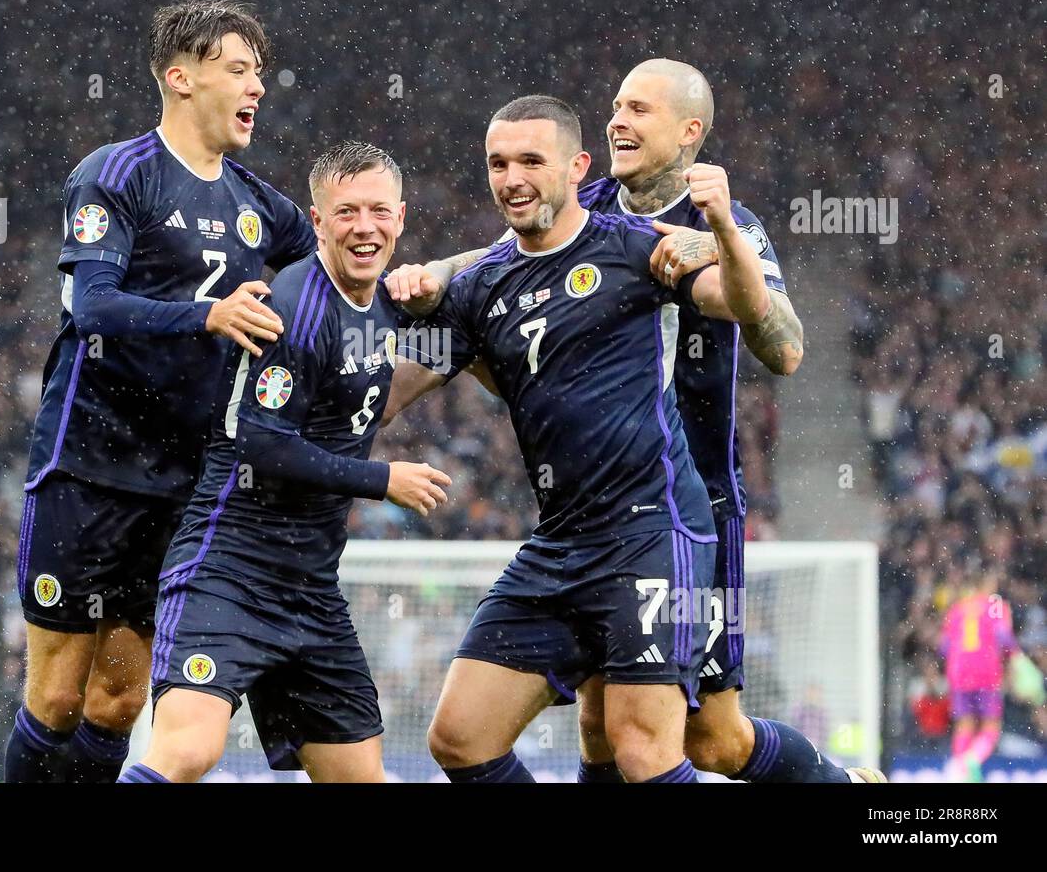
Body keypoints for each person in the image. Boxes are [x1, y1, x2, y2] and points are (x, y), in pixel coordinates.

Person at [387, 95, 772, 782]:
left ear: (576, 167)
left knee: (645, 749)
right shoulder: (482, 287)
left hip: (653, 530)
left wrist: (721, 225)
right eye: (498, 164)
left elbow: (744, 305)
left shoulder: (635, 251)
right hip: (560, 543)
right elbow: (386, 395)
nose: (513, 178)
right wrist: (343, 307)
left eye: (532, 160)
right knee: (459, 736)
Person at [5, 0, 317, 783]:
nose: (257, 88)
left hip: (182, 483)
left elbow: (333, 274)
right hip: (88, 466)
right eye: (239, 70)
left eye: (260, 74)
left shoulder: (259, 205)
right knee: (58, 697)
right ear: (180, 78)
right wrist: (207, 314)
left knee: (119, 697)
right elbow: (93, 305)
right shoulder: (117, 173)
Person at [572, 59, 877, 782]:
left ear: (689, 132)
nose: (617, 119)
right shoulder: (578, 208)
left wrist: (724, 243)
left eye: (638, 109)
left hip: (695, 507)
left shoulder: (730, 223)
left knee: (712, 741)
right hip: (593, 504)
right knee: (598, 718)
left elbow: (789, 349)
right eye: (615, 104)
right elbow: (498, 264)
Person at [120, 142, 450, 783]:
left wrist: (438, 284)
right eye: (346, 211)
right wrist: (386, 479)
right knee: (187, 752)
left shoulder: (384, 302)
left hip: (310, 590)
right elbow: (263, 445)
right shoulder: (295, 306)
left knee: (361, 778)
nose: (365, 226)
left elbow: (378, 392)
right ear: (317, 220)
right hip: (231, 569)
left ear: (402, 218)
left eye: (379, 211)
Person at [940, 573, 1021, 781]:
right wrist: (1015, 657)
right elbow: (1003, 636)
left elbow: (944, 647)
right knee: (991, 725)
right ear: (989, 583)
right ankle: (973, 758)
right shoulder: (995, 605)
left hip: (958, 673)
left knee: (964, 724)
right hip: (986, 672)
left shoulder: (957, 609)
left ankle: (959, 769)